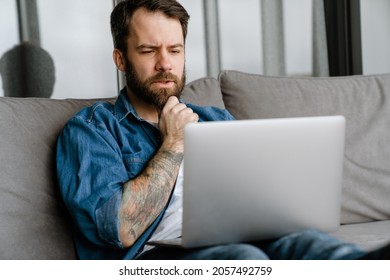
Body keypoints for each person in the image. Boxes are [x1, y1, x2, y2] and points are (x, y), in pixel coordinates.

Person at [56, 0, 389, 260]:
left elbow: (259, 198)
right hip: (153, 256)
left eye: (175, 50)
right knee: (242, 258)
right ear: (121, 59)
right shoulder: (92, 129)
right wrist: (173, 143)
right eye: (148, 51)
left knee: (310, 244)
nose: (165, 64)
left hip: (240, 236)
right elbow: (121, 228)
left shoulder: (214, 118)